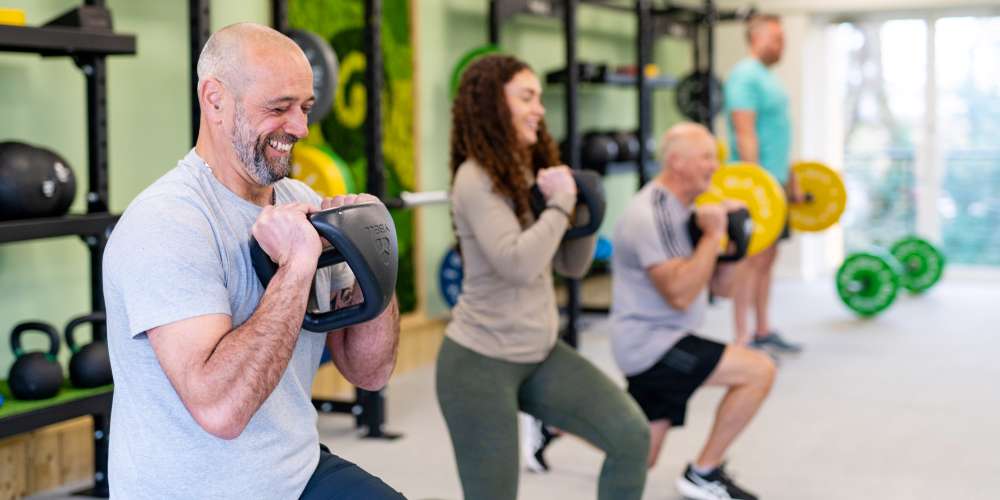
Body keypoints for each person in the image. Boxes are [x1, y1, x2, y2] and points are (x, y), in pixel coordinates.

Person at [102, 23, 403, 499]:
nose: (301, 128)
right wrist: (297, 267)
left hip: (295, 472)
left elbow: (370, 372)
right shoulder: (167, 223)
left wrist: (373, 251)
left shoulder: (301, 200)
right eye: (278, 108)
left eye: (304, 107)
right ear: (215, 99)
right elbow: (221, 410)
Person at [436, 53, 650, 500]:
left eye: (539, 97)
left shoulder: (525, 170)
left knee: (631, 436)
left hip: (540, 353)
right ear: (494, 104)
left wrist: (586, 212)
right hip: (480, 363)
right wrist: (560, 206)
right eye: (527, 97)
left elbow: (570, 266)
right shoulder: (475, 178)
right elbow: (516, 263)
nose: (540, 108)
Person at [611, 123, 777, 500]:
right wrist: (713, 236)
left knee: (641, 456)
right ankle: (703, 473)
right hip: (653, 345)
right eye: (706, 157)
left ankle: (552, 425)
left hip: (669, 338)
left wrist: (736, 241)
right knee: (759, 371)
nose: (715, 166)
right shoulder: (651, 214)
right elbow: (680, 295)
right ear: (677, 162)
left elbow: (723, 288)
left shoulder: (690, 209)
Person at [724, 13, 803, 352]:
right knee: (749, 260)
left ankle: (763, 329)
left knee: (767, 258)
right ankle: (742, 337)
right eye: (776, 38)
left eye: (783, 39)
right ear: (756, 38)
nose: (781, 45)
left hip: (775, 183)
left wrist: (790, 180)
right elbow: (745, 135)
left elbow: (779, 134)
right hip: (756, 189)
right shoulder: (744, 76)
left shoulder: (770, 78)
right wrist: (756, 189)